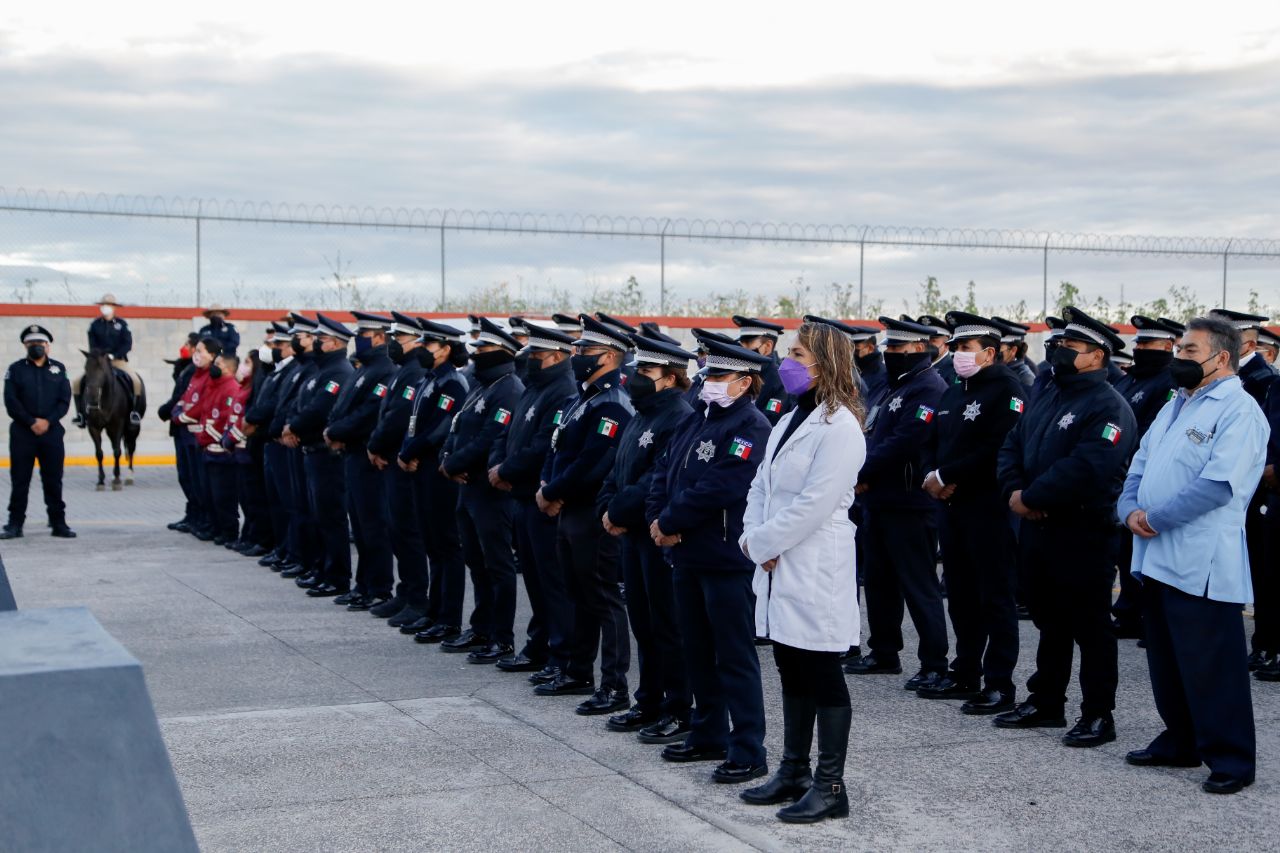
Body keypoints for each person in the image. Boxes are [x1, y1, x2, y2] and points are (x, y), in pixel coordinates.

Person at [1117, 316, 1269, 795]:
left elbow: (1218, 485)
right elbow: (1140, 463)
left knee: (1212, 664)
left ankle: (1231, 758)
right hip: (1156, 552)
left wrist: (1155, 518)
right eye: (1180, 349)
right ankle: (1180, 740)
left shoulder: (1238, 410)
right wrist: (1129, 509)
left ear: (1220, 357)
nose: (1178, 357)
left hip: (1200, 558)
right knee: (1167, 659)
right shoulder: (1175, 405)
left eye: (1188, 350)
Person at [738, 320, 864, 823]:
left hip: (815, 563)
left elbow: (815, 504)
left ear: (824, 363)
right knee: (791, 665)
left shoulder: (840, 427)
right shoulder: (790, 419)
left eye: (797, 354)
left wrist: (768, 542)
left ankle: (831, 786)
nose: (787, 363)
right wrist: (753, 540)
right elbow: (760, 487)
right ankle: (793, 771)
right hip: (777, 558)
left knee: (822, 672)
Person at [994, 307, 1136, 747]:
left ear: (1096, 356)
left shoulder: (1109, 406)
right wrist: (1016, 493)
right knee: (1050, 620)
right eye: (1057, 346)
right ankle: (1047, 701)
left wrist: (1032, 498)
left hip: (1083, 531)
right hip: (1038, 530)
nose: (1057, 353)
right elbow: (1013, 444)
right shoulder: (1050, 393)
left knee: (1091, 626)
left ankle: (1098, 713)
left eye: (1069, 348)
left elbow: (1088, 467)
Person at [647, 335, 773, 784]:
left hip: (723, 556)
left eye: (719, 376)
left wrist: (672, 519)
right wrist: (658, 517)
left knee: (733, 655)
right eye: (708, 375)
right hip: (686, 553)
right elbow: (665, 469)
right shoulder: (697, 419)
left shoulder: (750, 426)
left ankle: (748, 747)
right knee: (696, 650)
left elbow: (725, 484)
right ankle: (708, 733)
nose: (709, 384)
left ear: (744, 381)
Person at [918, 312, 1025, 712]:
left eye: (965, 349)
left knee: (994, 596)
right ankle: (964, 672)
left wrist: (948, 473)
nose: (957, 355)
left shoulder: (1006, 390)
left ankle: (999, 683)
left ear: (990, 353)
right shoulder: (953, 391)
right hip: (951, 507)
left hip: (988, 508)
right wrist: (932, 473)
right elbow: (931, 439)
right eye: (955, 348)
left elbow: (1000, 447)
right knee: (960, 594)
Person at [597, 333, 696, 743]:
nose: (637, 376)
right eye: (637, 368)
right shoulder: (641, 411)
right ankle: (649, 699)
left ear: (670, 377)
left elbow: (657, 478)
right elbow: (617, 468)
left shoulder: (678, 416)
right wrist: (607, 506)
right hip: (631, 535)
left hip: (656, 535)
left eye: (647, 371)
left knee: (666, 625)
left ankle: (678, 707)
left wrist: (619, 511)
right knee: (643, 621)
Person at [534, 315, 635, 715]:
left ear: (609, 356)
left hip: (590, 511)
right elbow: (557, 450)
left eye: (584, 351)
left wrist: (554, 491)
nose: (576, 356)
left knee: (602, 597)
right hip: (566, 508)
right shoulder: (583, 397)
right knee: (576, 592)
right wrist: (546, 487)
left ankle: (614, 685)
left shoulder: (613, 403)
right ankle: (577, 671)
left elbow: (596, 464)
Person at [846, 317, 948, 690]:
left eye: (898, 349)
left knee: (918, 584)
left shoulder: (928, 388)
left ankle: (935, 662)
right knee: (879, 582)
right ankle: (884, 651)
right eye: (889, 348)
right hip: (879, 500)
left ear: (919, 350)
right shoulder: (891, 387)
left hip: (909, 503)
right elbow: (868, 435)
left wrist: (858, 470)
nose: (891, 355)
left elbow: (906, 441)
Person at [488, 321, 578, 680]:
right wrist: (499, 465)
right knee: (536, 582)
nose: (528, 359)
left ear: (555, 356)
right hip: (521, 496)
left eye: (536, 353)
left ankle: (561, 654)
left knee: (552, 583)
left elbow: (544, 444)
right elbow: (508, 430)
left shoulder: (562, 390)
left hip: (542, 497)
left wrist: (507, 469)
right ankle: (539, 645)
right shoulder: (533, 387)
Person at [438, 318, 525, 662]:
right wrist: (447, 457)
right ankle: (481, 627)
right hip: (468, 488)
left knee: (497, 565)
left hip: (490, 491)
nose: (477, 355)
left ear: (502, 352)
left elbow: (489, 438)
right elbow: (458, 428)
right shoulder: (480, 385)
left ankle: (501, 636)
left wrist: (455, 462)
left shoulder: (509, 388)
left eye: (484, 349)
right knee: (476, 561)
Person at [1207, 309, 1278, 671]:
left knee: (1264, 572)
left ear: (1247, 344)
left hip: (1259, 489)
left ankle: (1267, 644)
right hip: (1240, 485)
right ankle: (1257, 642)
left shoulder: (1262, 379)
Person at [398, 319, 471, 643]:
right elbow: (414, 424)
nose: (423, 350)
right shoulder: (430, 379)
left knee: (446, 545)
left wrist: (411, 450)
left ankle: (449, 618)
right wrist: (406, 450)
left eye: (428, 346)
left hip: (437, 471)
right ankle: (434, 610)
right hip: (420, 468)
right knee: (431, 543)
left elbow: (441, 428)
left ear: (445, 350)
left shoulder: (452, 384)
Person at [1110, 316, 1181, 640]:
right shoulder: (1131, 379)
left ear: (1168, 346)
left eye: (1146, 343)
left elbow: (1152, 432)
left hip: (1143, 474)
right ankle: (1127, 610)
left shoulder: (1168, 382)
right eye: (1137, 343)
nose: (1138, 349)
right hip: (1122, 475)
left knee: (1142, 547)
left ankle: (1141, 613)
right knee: (1125, 551)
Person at [325, 312, 398, 612]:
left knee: (373, 524)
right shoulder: (363, 369)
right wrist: (333, 429)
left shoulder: (384, 370)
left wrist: (337, 431)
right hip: (352, 454)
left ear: (380, 337)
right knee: (360, 522)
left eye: (365, 334)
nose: (359, 339)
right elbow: (342, 407)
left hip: (369, 457)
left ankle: (379, 587)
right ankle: (363, 584)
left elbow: (369, 413)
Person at [365, 312, 433, 626]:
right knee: (397, 529)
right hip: (391, 459)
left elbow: (398, 417)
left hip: (402, 460)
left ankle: (418, 598)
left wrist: (377, 446)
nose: (393, 345)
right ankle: (405, 592)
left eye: (399, 340)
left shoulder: (414, 371)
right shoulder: (401, 370)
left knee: (408, 530)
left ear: (415, 343)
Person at [284, 313, 355, 598]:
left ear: (336, 343)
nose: (315, 343)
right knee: (317, 514)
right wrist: (291, 423)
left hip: (327, 454)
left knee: (331, 516)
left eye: (320, 339)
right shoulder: (320, 370)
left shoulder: (338, 371)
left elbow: (320, 408)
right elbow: (299, 403)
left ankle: (337, 575)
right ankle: (322, 568)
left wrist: (294, 426)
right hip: (311, 451)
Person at [2, 325, 75, 539]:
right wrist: (31, 421)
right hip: (23, 433)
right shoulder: (15, 369)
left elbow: (64, 401)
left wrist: (48, 421)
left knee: (53, 479)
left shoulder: (59, 369)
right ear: (25, 345)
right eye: (32, 343)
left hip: (51, 433)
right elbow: (11, 401)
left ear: (48, 346)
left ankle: (58, 523)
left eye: (40, 343)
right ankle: (15, 524)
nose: (36, 347)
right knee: (20, 480)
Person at [173, 336, 223, 541]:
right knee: (188, 477)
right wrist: (176, 411)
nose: (196, 354)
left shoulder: (211, 375)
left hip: (197, 434)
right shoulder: (194, 374)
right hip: (185, 433)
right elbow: (185, 398)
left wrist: (183, 416)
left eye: (200, 351)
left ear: (212, 355)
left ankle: (207, 520)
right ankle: (195, 516)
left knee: (202, 481)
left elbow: (204, 402)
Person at [73, 293, 143, 427]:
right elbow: (92, 344)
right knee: (77, 382)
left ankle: (134, 412)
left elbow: (127, 344)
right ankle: (81, 415)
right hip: (99, 362)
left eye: (108, 305)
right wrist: (100, 357)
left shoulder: (122, 324)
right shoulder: (94, 325)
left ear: (114, 307)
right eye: (103, 305)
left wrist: (114, 355)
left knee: (136, 381)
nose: (105, 307)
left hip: (118, 360)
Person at [199, 352, 247, 545]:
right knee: (211, 495)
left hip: (221, 452)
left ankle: (229, 531)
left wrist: (207, 435)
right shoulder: (214, 385)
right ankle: (217, 527)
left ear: (227, 368)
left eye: (218, 363)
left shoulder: (231, 388)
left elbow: (224, 419)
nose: (214, 366)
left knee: (224, 496)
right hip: (209, 450)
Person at [158, 335, 198, 532]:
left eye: (187, 345)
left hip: (119, 359)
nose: (184, 347)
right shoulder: (186, 369)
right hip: (101, 357)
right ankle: (191, 514)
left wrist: (165, 410)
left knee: (133, 381)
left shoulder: (193, 371)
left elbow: (180, 398)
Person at [732, 315, 792, 425]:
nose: (742, 349)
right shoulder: (741, 372)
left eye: (748, 343)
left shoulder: (780, 381)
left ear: (768, 346)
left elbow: (768, 422)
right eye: (741, 344)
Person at [917, 314, 956, 385]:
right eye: (923, 340)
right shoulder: (917, 367)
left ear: (946, 344)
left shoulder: (953, 372)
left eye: (932, 340)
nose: (926, 344)